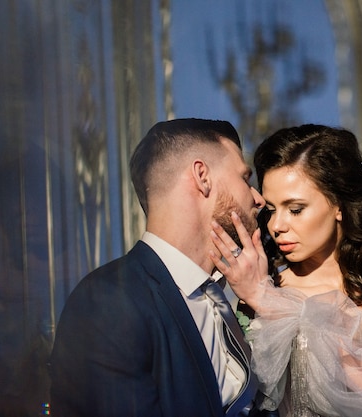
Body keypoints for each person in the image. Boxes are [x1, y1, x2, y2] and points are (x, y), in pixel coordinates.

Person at [209, 124, 362, 417]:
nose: (277, 225)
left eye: (295, 209)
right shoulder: (268, 287)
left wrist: (266, 302)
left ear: (338, 204)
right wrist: (261, 298)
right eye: (271, 209)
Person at [49, 119, 267, 417]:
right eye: (245, 178)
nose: (258, 198)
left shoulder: (219, 296)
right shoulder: (109, 302)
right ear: (202, 176)